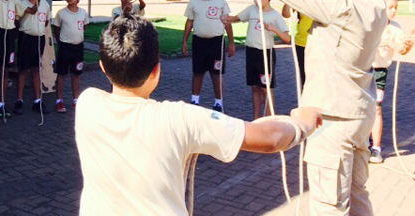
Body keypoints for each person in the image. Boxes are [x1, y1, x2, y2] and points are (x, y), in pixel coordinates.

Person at [75, 13, 322, 216]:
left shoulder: (88, 103)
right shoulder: (178, 119)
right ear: (157, 71)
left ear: (103, 68)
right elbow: (272, 138)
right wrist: (303, 123)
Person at [243, 0, 387, 216]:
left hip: (333, 118)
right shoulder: (372, 0)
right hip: (357, 113)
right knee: (357, 195)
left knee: (328, 205)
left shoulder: (341, 4)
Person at [222, 0, 290, 120]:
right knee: (254, 87)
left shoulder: (275, 16)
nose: (255, 1)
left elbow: (287, 38)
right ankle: (256, 118)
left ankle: (269, 119)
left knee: (266, 88)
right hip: (251, 52)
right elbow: (235, 19)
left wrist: (274, 29)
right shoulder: (252, 10)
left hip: (265, 54)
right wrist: (223, 18)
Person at [369, 0, 413, 164]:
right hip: (363, 70)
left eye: (396, 8)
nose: (394, 11)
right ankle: (361, 142)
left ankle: (376, 148)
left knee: (376, 108)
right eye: (391, 7)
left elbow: (402, 50)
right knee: (360, 107)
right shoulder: (370, 24)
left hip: (380, 72)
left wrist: (408, 44)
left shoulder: (395, 27)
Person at [181, 0, 234, 111]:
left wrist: (232, 42)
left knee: (216, 73)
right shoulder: (194, 2)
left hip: (216, 42)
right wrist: (184, 41)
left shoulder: (220, 0)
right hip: (199, 42)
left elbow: (227, 22)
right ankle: (195, 101)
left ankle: (218, 102)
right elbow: (189, 22)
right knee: (198, 72)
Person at [13, 0, 50, 116]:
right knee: (23, 69)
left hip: (39, 38)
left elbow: (46, 21)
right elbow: (17, 21)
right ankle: (19, 100)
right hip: (26, 38)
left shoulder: (45, 4)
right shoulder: (23, 3)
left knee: (36, 69)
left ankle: (37, 100)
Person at [51, 0, 89, 112]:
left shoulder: (83, 13)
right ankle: (59, 101)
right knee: (61, 74)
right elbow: (57, 28)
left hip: (78, 48)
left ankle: (75, 100)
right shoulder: (61, 13)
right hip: (65, 47)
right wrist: (61, 42)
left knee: (76, 74)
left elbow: (83, 27)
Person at [282, 0, 320, 87]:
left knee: (317, 77)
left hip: (317, 43)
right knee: (304, 77)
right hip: (301, 42)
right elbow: (286, 14)